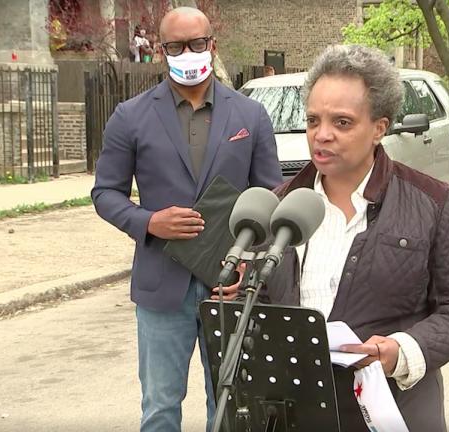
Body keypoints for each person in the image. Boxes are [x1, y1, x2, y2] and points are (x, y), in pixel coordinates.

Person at [260, 45, 449, 431]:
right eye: (313, 120)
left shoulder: (432, 203)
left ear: (379, 128)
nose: (322, 135)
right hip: (297, 412)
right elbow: (263, 304)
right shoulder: (279, 208)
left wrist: (401, 351)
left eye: (342, 122)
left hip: (394, 409)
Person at [91, 7, 282, 432]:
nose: (188, 52)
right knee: (159, 407)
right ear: (162, 52)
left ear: (212, 45)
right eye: (176, 46)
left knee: (230, 404)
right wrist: (147, 221)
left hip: (229, 283)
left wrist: (249, 263)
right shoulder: (130, 116)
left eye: (197, 43)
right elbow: (105, 193)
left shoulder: (250, 116)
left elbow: (271, 196)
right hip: (162, 283)